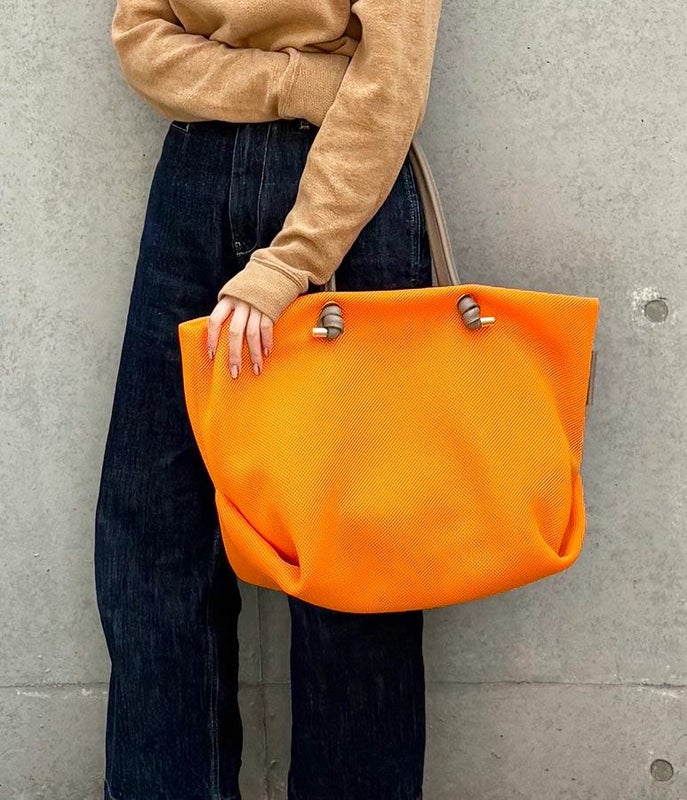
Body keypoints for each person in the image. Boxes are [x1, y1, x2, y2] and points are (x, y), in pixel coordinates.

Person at [93, 0, 443, 798]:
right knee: (154, 540)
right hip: (193, 179)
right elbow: (142, 43)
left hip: (346, 187)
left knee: (352, 555)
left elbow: (389, 82)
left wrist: (291, 261)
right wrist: (298, 81)